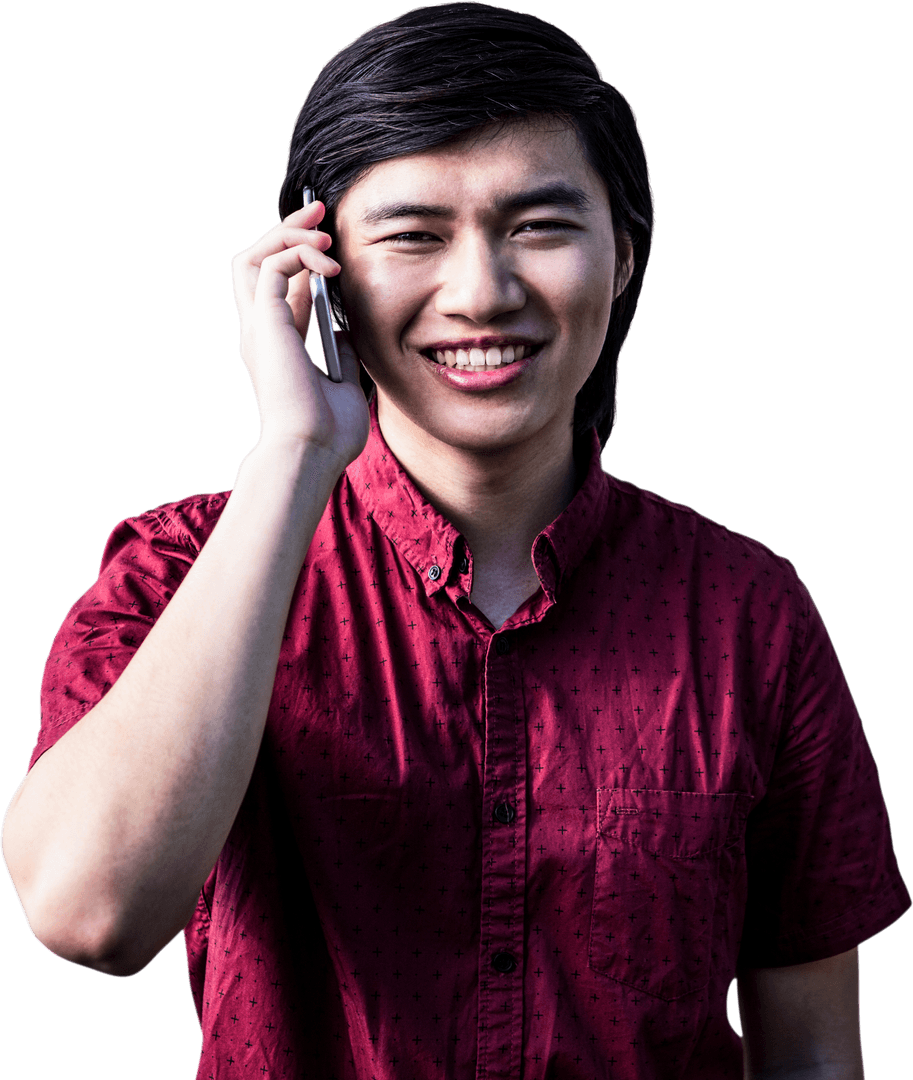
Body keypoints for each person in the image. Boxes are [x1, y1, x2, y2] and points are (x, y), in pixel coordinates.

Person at [2, 3, 909, 1077]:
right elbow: (88, 916)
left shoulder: (748, 612)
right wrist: (293, 455)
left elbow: (811, 1050)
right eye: (412, 235)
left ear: (623, 258)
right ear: (316, 270)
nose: (481, 292)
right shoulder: (177, 574)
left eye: (539, 225)